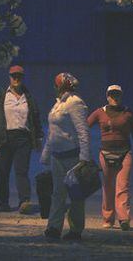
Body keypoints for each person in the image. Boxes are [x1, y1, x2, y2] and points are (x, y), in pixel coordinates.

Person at [0, 65, 44, 214]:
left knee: (21, 171)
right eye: (13, 76)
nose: (16, 79)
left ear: (22, 78)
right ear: (9, 77)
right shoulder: (1, 95)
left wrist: (39, 138)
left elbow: (36, 118)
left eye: (19, 76)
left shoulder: (28, 97)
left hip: (23, 139)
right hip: (4, 138)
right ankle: (4, 202)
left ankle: (25, 201)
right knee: (3, 171)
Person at [87, 85, 133, 231]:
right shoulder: (99, 112)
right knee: (107, 187)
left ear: (121, 96)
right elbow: (84, 127)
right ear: (107, 96)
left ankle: (124, 219)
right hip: (105, 154)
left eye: (117, 95)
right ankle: (108, 219)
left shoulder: (128, 113)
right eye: (111, 95)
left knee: (122, 187)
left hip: (125, 153)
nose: (114, 98)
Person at [40, 72, 91, 241]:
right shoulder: (57, 105)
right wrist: (46, 154)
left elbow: (83, 132)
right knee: (57, 193)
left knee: (76, 195)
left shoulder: (74, 103)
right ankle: (54, 228)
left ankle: (76, 230)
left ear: (61, 86)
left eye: (57, 85)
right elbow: (52, 133)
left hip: (72, 157)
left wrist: (84, 157)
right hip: (57, 156)